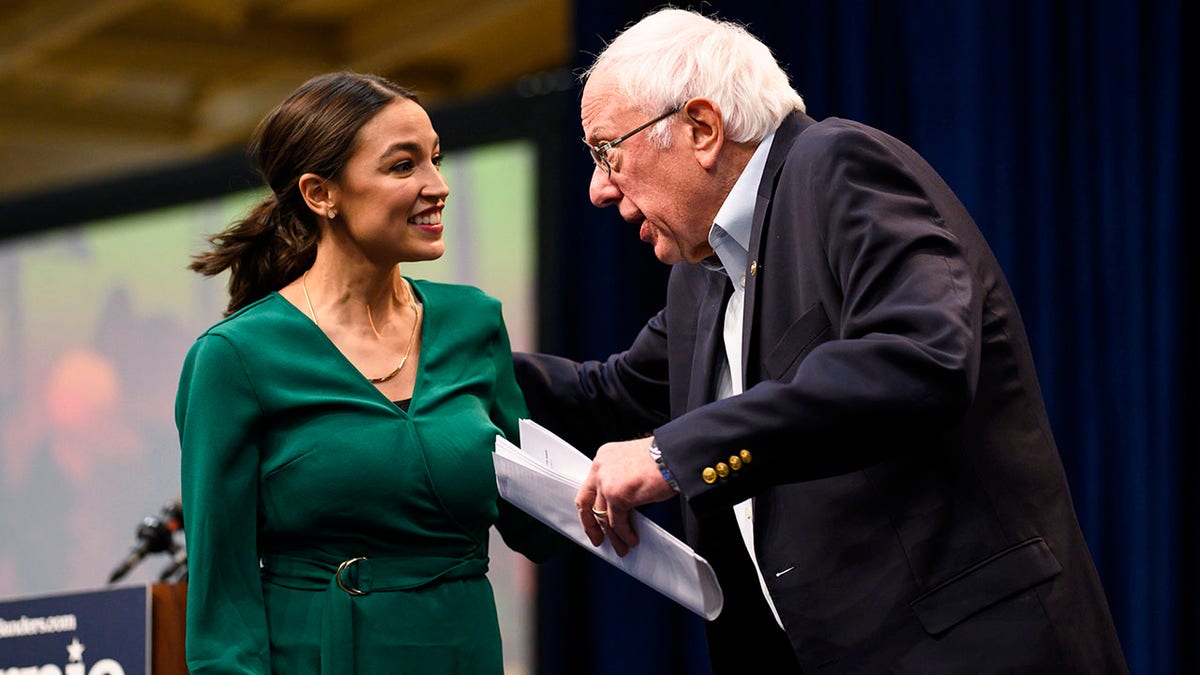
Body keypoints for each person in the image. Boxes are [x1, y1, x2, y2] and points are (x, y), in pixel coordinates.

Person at [513, 8, 1128, 674]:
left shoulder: (837, 166)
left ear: (701, 128)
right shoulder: (700, 279)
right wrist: (433, 346)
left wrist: (671, 453)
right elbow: (609, 397)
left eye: (608, 152)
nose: (600, 189)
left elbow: (920, 357)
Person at [176, 71, 562, 674]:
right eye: (403, 166)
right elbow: (221, 600)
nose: (438, 186)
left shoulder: (473, 320)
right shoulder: (234, 357)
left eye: (435, 159)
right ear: (320, 193)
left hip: (464, 651)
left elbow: (539, 523)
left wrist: (651, 465)